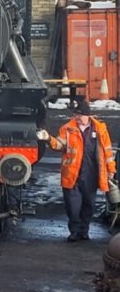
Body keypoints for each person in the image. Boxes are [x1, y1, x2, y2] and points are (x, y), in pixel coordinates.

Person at [38, 100, 116, 242]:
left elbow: (108, 152)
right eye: (76, 115)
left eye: (80, 115)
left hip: (91, 174)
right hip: (72, 174)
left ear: (88, 115)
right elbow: (59, 145)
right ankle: (74, 231)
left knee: (89, 205)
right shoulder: (67, 129)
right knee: (73, 207)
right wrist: (48, 139)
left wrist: (111, 170)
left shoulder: (100, 130)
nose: (77, 118)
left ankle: (84, 231)